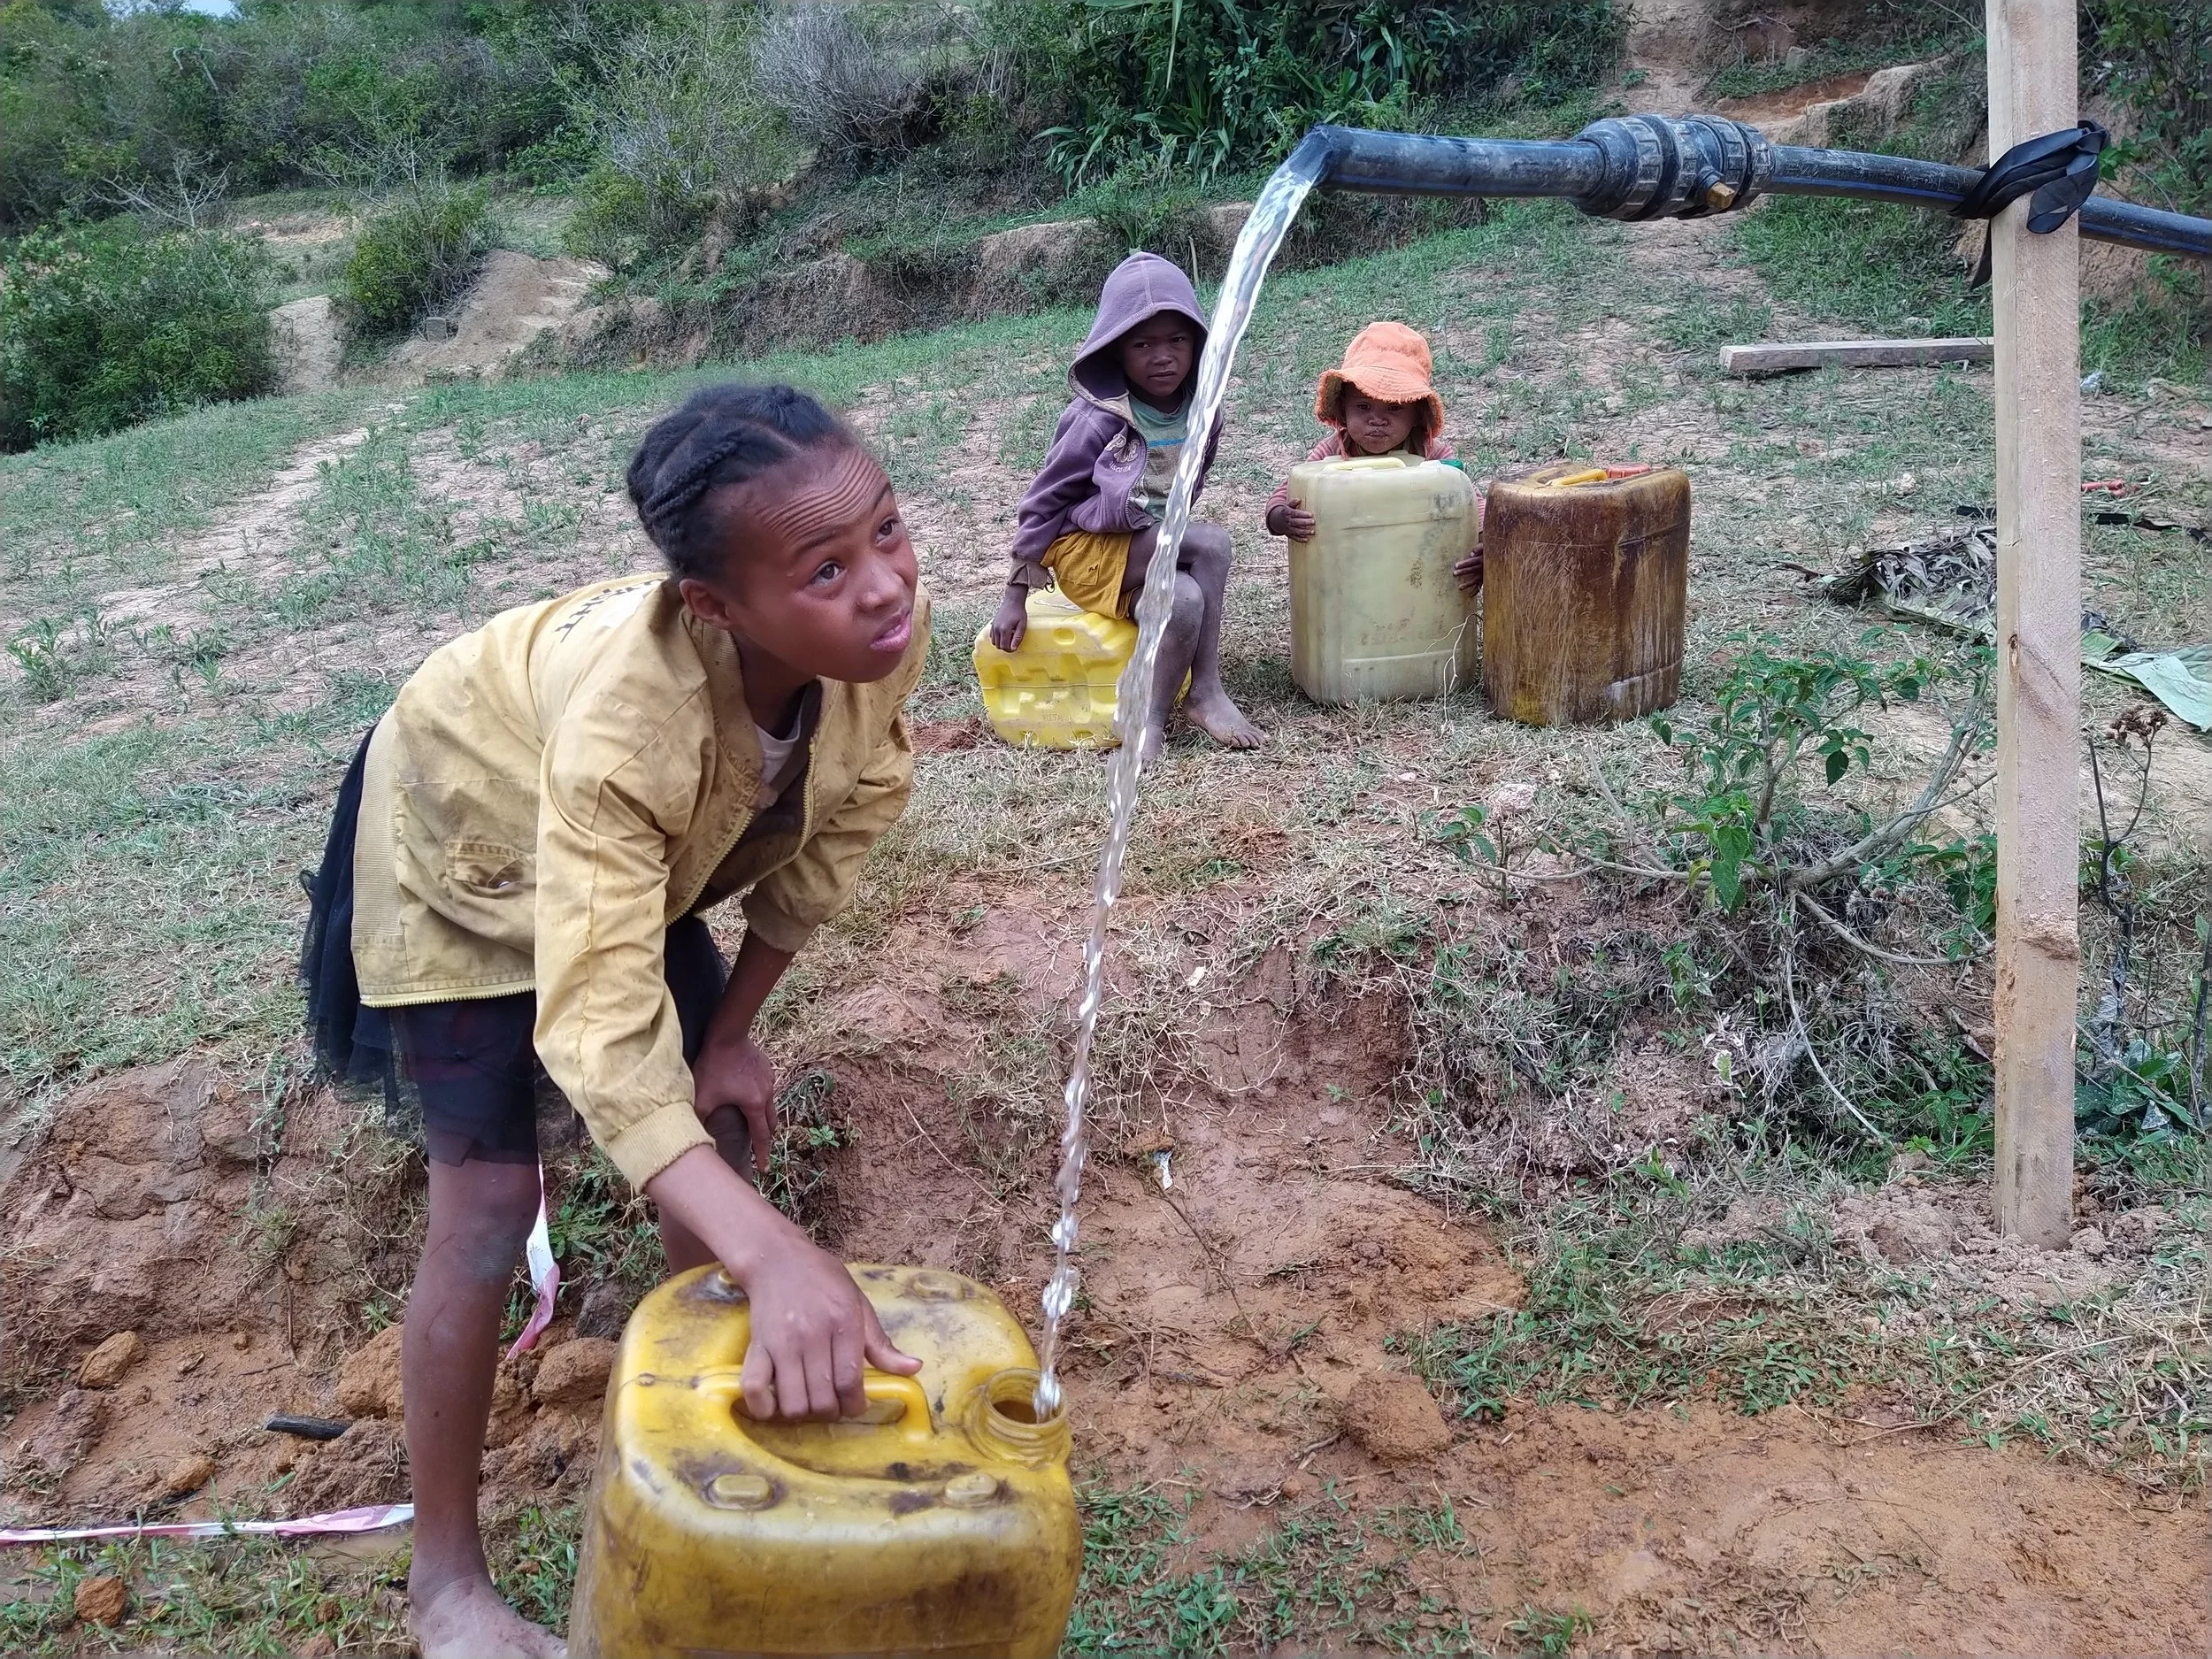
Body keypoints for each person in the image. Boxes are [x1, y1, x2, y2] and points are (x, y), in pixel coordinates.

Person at [298, 383, 930, 1659]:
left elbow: (836, 836)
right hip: (467, 826)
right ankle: (446, 1584)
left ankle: (700, 1467)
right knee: (484, 1206)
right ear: (715, 605)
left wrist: (728, 1033)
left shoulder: (874, 639)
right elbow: (593, 1019)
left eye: (888, 529)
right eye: (825, 567)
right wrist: (771, 1254)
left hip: (634, 853)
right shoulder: (625, 722)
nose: (882, 585)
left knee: (713, 1123)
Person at [988, 251, 1263, 755]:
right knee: (1212, 543)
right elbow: (1045, 500)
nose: (1164, 356)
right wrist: (1015, 593)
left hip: (1140, 550)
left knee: (1183, 602)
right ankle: (1206, 687)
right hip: (1084, 553)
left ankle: (1151, 716)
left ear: (1198, 343)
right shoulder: (1097, 420)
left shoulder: (1203, 412)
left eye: (1177, 340)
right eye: (1143, 344)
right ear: (1116, 351)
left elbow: (1185, 488)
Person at [1264, 320, 1484, 593]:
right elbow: (1284, 494)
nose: (1377, 420)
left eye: (1394, 407)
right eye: (1363, 406)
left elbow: (1473, 504)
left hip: (1416, 569)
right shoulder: (1331, 452)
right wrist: (1281, 518)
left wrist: (1484, 546)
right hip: (1352, 571)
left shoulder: (1433, 454)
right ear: (1343, 411)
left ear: (1417, 414)